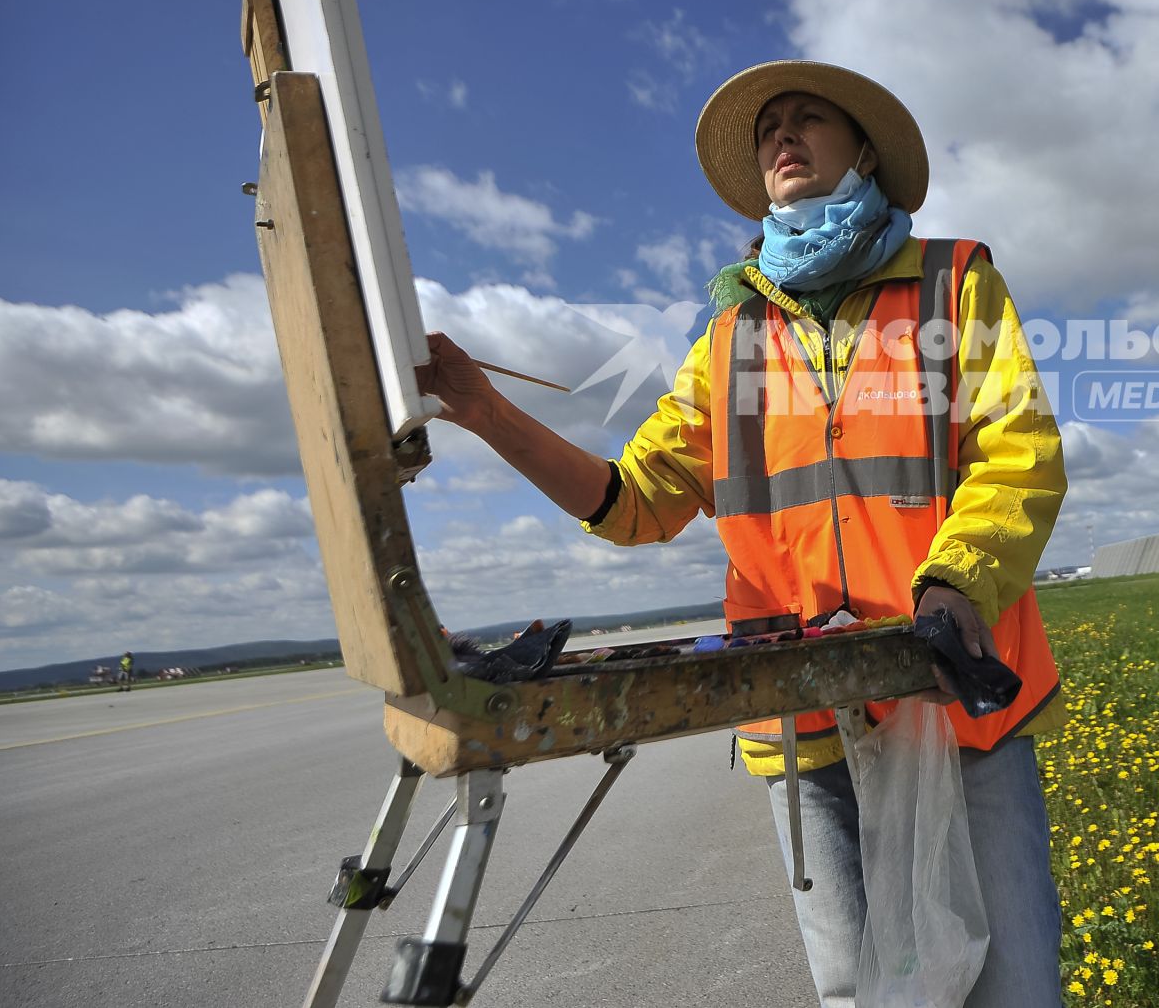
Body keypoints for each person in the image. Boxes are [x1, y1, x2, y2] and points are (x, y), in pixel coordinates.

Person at [417, 61, 1068, 1007]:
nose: (781, 137)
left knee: (1014, 986)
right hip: (802, 719)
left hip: (957, 694)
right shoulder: (728, 336)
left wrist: (954, 584)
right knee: (855, 992)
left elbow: (1021, 456)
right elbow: (635, 498)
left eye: (807, 119)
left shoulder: (951, 283)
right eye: (769, 130)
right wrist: (486, 414)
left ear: (867, 153)